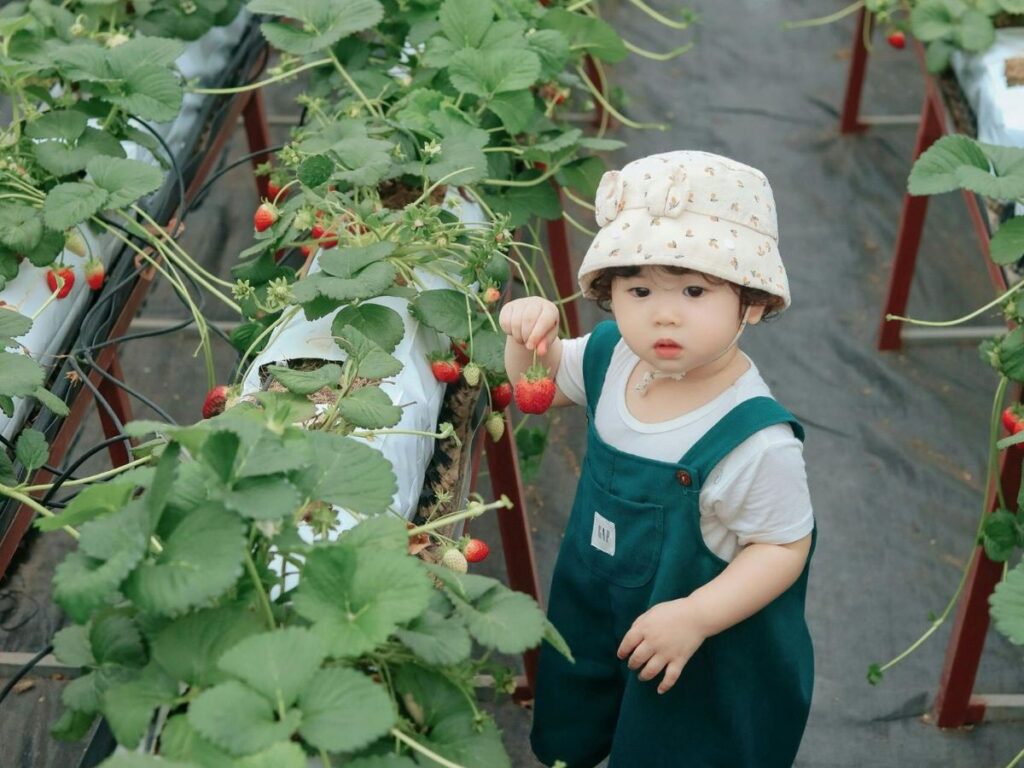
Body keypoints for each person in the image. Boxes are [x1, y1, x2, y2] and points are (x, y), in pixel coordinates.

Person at [499, 151, 816, 768]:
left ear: (750, 303)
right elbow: (536, 389)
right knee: (582, 724)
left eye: (695, 290)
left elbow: (783, 548)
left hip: (692, 642)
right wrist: (526, 338)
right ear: (610, 293)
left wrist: (696, 615)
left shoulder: (753, 438)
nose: (663, 312)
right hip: (595, 604)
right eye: (639, 289)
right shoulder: (612, 354)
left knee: (672, 745)